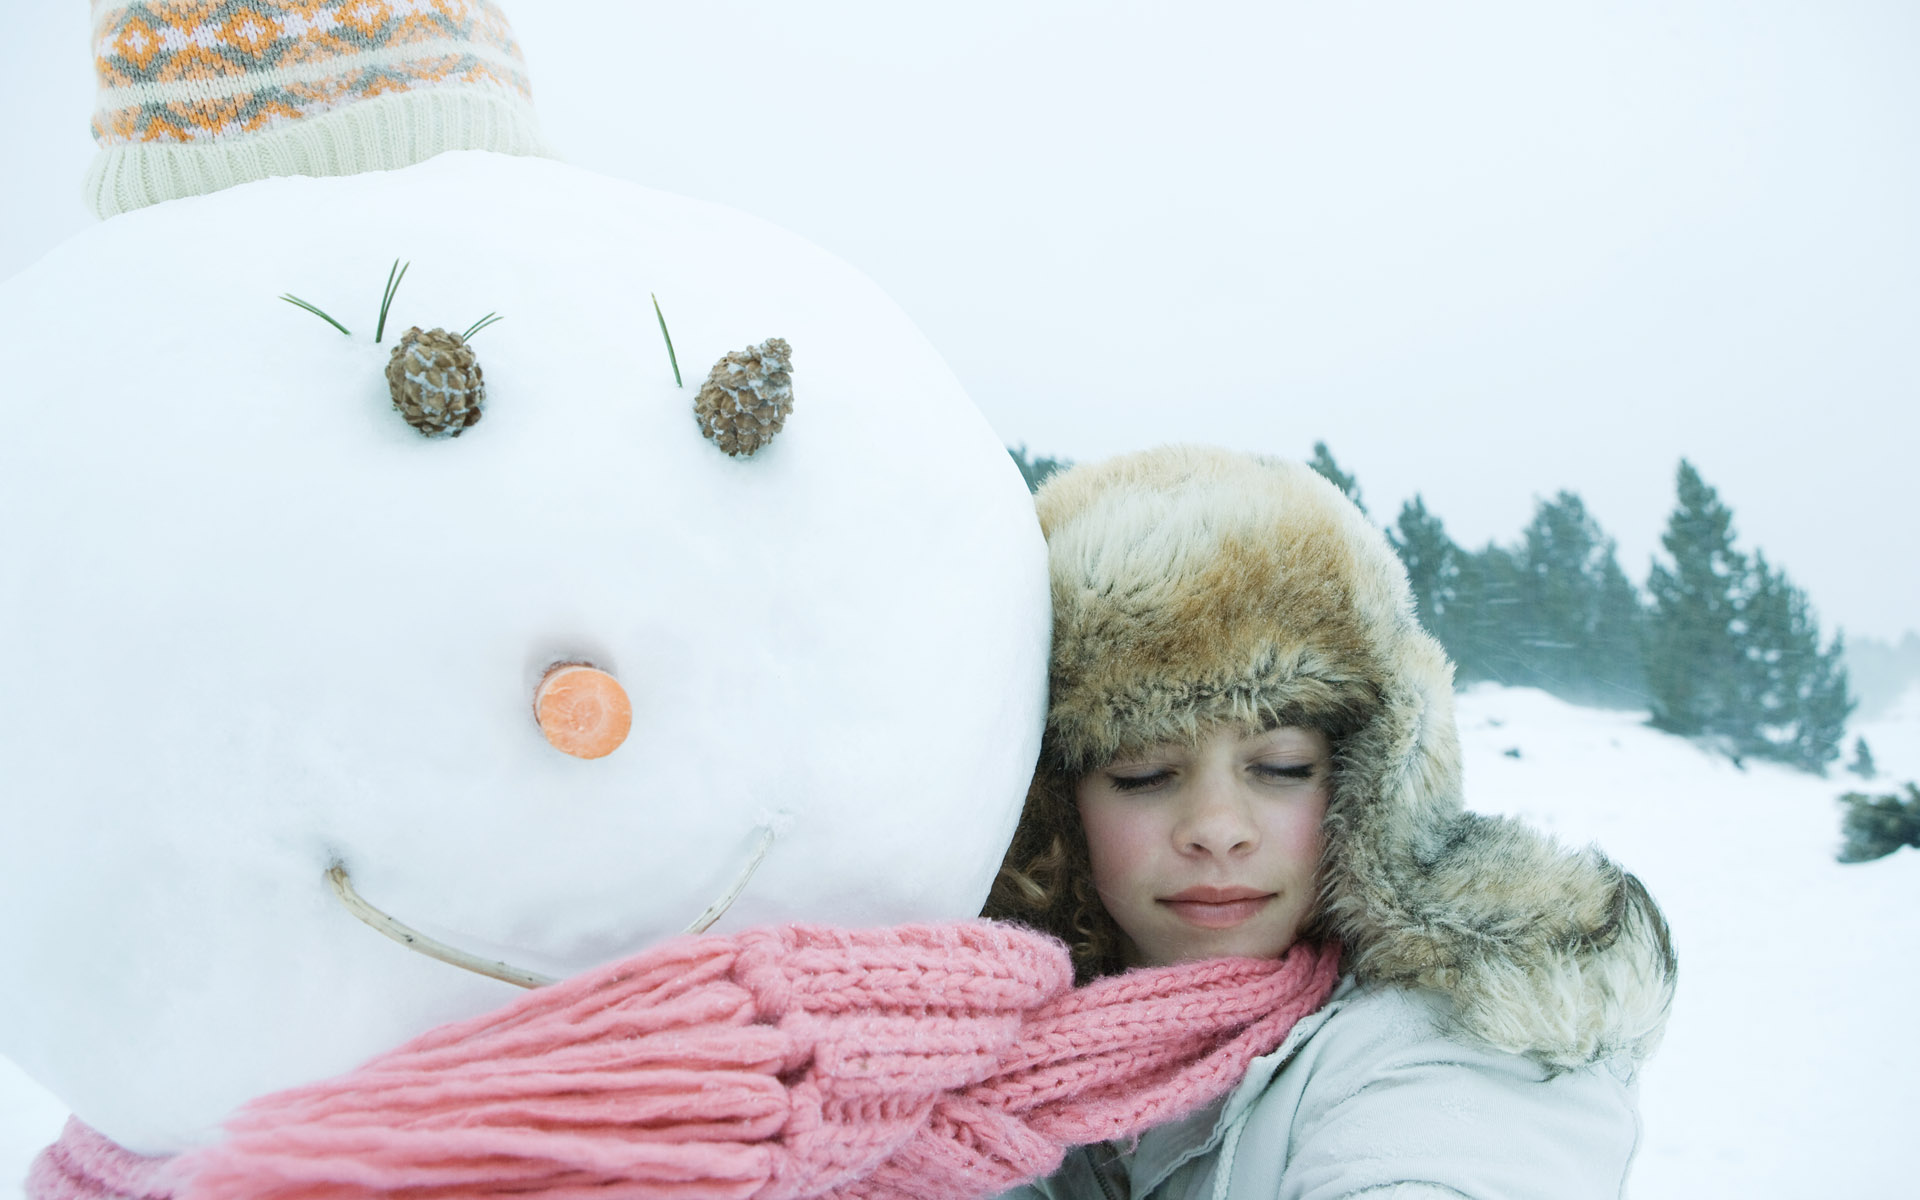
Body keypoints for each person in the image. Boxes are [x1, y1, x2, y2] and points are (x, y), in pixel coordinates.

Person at [983, 445, 1677, 1200]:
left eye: (1281, 767)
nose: (1217, 828)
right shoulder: (952, 1065)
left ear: (1369, 779)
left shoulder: (1455, 1046)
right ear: (1050, 801)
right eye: (1143, 773)